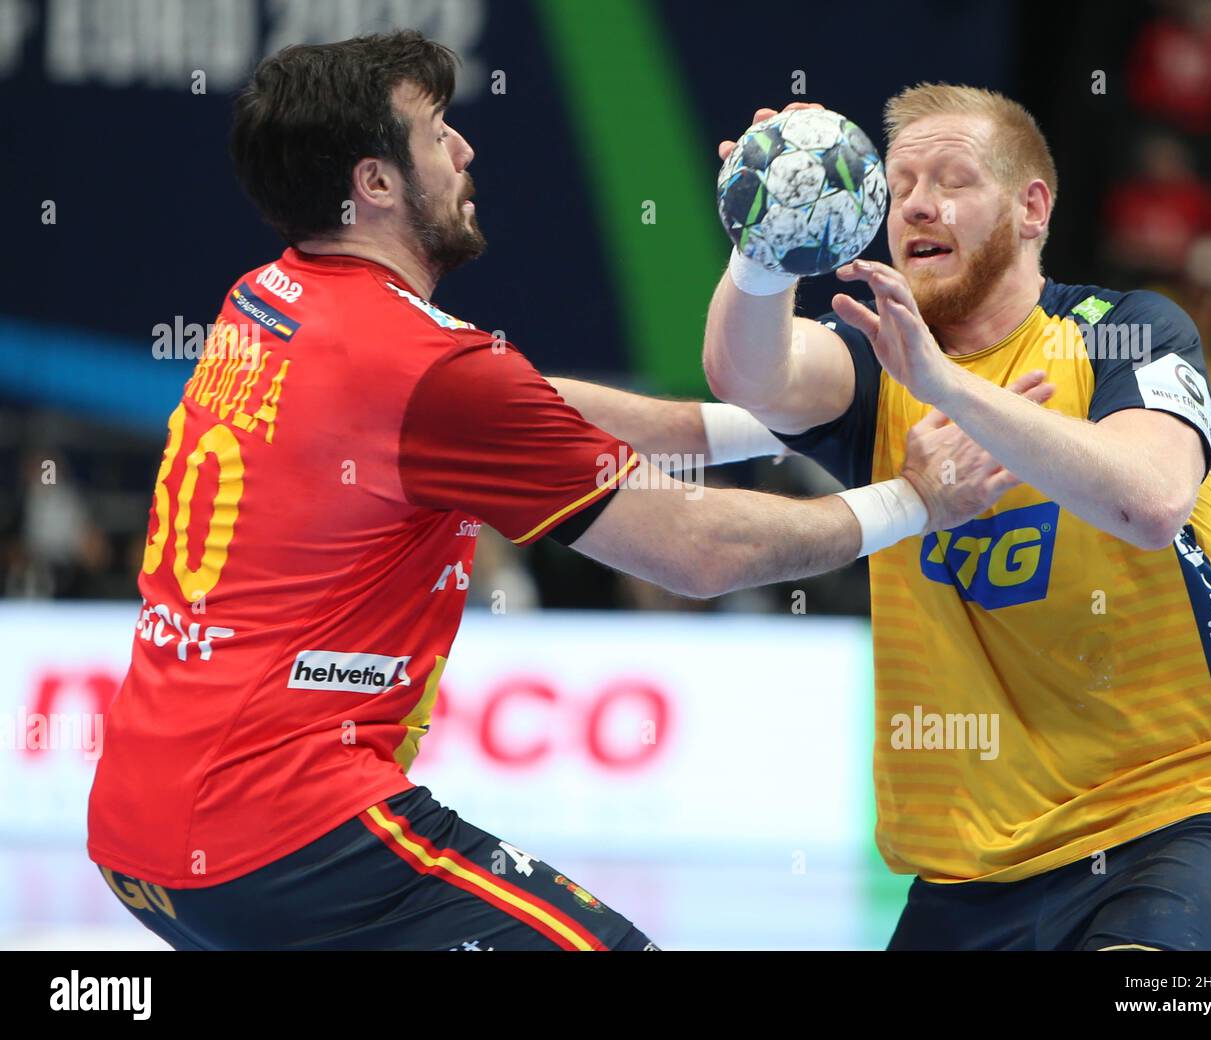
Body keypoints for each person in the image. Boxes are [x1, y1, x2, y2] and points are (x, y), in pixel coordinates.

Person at [86, 36, 1048, 952]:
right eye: (435, 133)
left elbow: (549, 410)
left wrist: (846, 399)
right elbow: (701, 553)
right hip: (280, 831)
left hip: (144, 825)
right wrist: (917, 498)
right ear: (375, 183)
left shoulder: (270, 300)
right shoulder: (433, 374)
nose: (465, 147)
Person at [701, 86, 1211, 950]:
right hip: (972, 869)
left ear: (1031, 207)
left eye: (951, 180)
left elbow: (1151, 501)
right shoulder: (879, 363)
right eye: (899, 186)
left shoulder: (1125, 331)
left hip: (1179, 812)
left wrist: (944, 385)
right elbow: (749, 377)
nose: (918, 205)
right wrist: (762, 251)